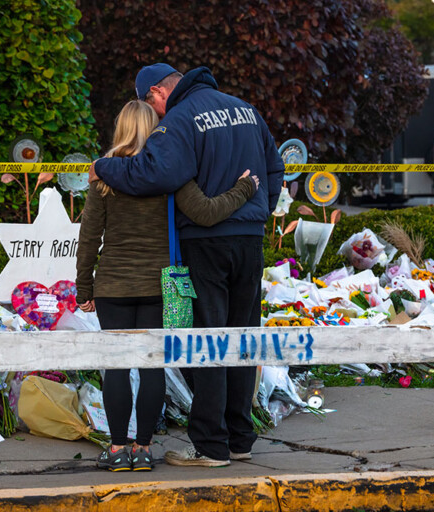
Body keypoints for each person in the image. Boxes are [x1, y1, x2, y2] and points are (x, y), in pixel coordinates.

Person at [89, 63, 285, 467]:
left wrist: (102, 166)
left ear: (157, 93)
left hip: (207, 242)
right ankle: (240, 439)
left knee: (207, 342)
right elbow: (275, 167)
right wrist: (258, 211)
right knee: (242, 338)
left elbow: (157, 172)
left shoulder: (180, 118)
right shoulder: (245, 108)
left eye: (152, 104)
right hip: (249, 241)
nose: (156, 114)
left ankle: (212, 446)